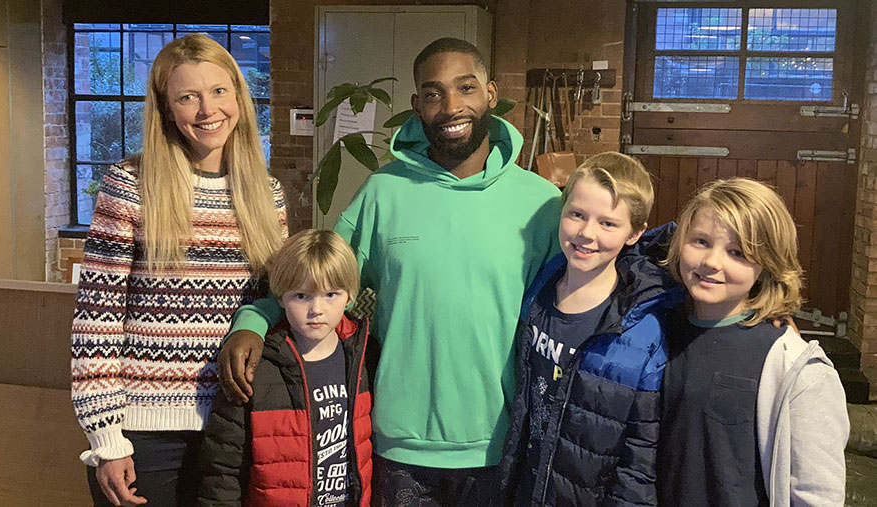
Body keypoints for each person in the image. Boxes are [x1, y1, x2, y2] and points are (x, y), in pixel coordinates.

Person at [219, 37, 562, 505]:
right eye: (435, 93)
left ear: (491, 93)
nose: (452, 106)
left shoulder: (540, 203)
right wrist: (253, 322)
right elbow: (314, 277)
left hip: (501, 444)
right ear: (417, 105)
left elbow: (571, 311)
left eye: (466, 88)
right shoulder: (383, 192)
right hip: (399, 446)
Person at [70, 33, 288, 507]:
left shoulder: (266, 193)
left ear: (238, 96)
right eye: (187, 96)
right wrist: (107, 439)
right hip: (143, 436)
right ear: (167, 109)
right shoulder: (130, 184)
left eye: (218, 91)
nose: (207, 109)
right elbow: (95, 320)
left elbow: (275, 301)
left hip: (237, 426)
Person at [496, 152, 684, 506]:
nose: (586, 233)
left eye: (608, 223)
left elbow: (640, 457)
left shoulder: (642, 333)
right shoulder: (540, 287)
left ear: (635, 233)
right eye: (577, 214)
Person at [657, 178, 849, 506]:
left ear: (767, 263)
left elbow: (817, 494)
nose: (712, 262)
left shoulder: (796, 369)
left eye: (737, 252)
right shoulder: (654, 328)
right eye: (700, 241)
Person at [197, 229, 377, 507]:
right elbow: (224, 468)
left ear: (350, 296)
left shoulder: (365, 355)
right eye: (302, 296)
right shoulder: (256, 365)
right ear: (280, 298)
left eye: (331, 294)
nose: (316, 308)